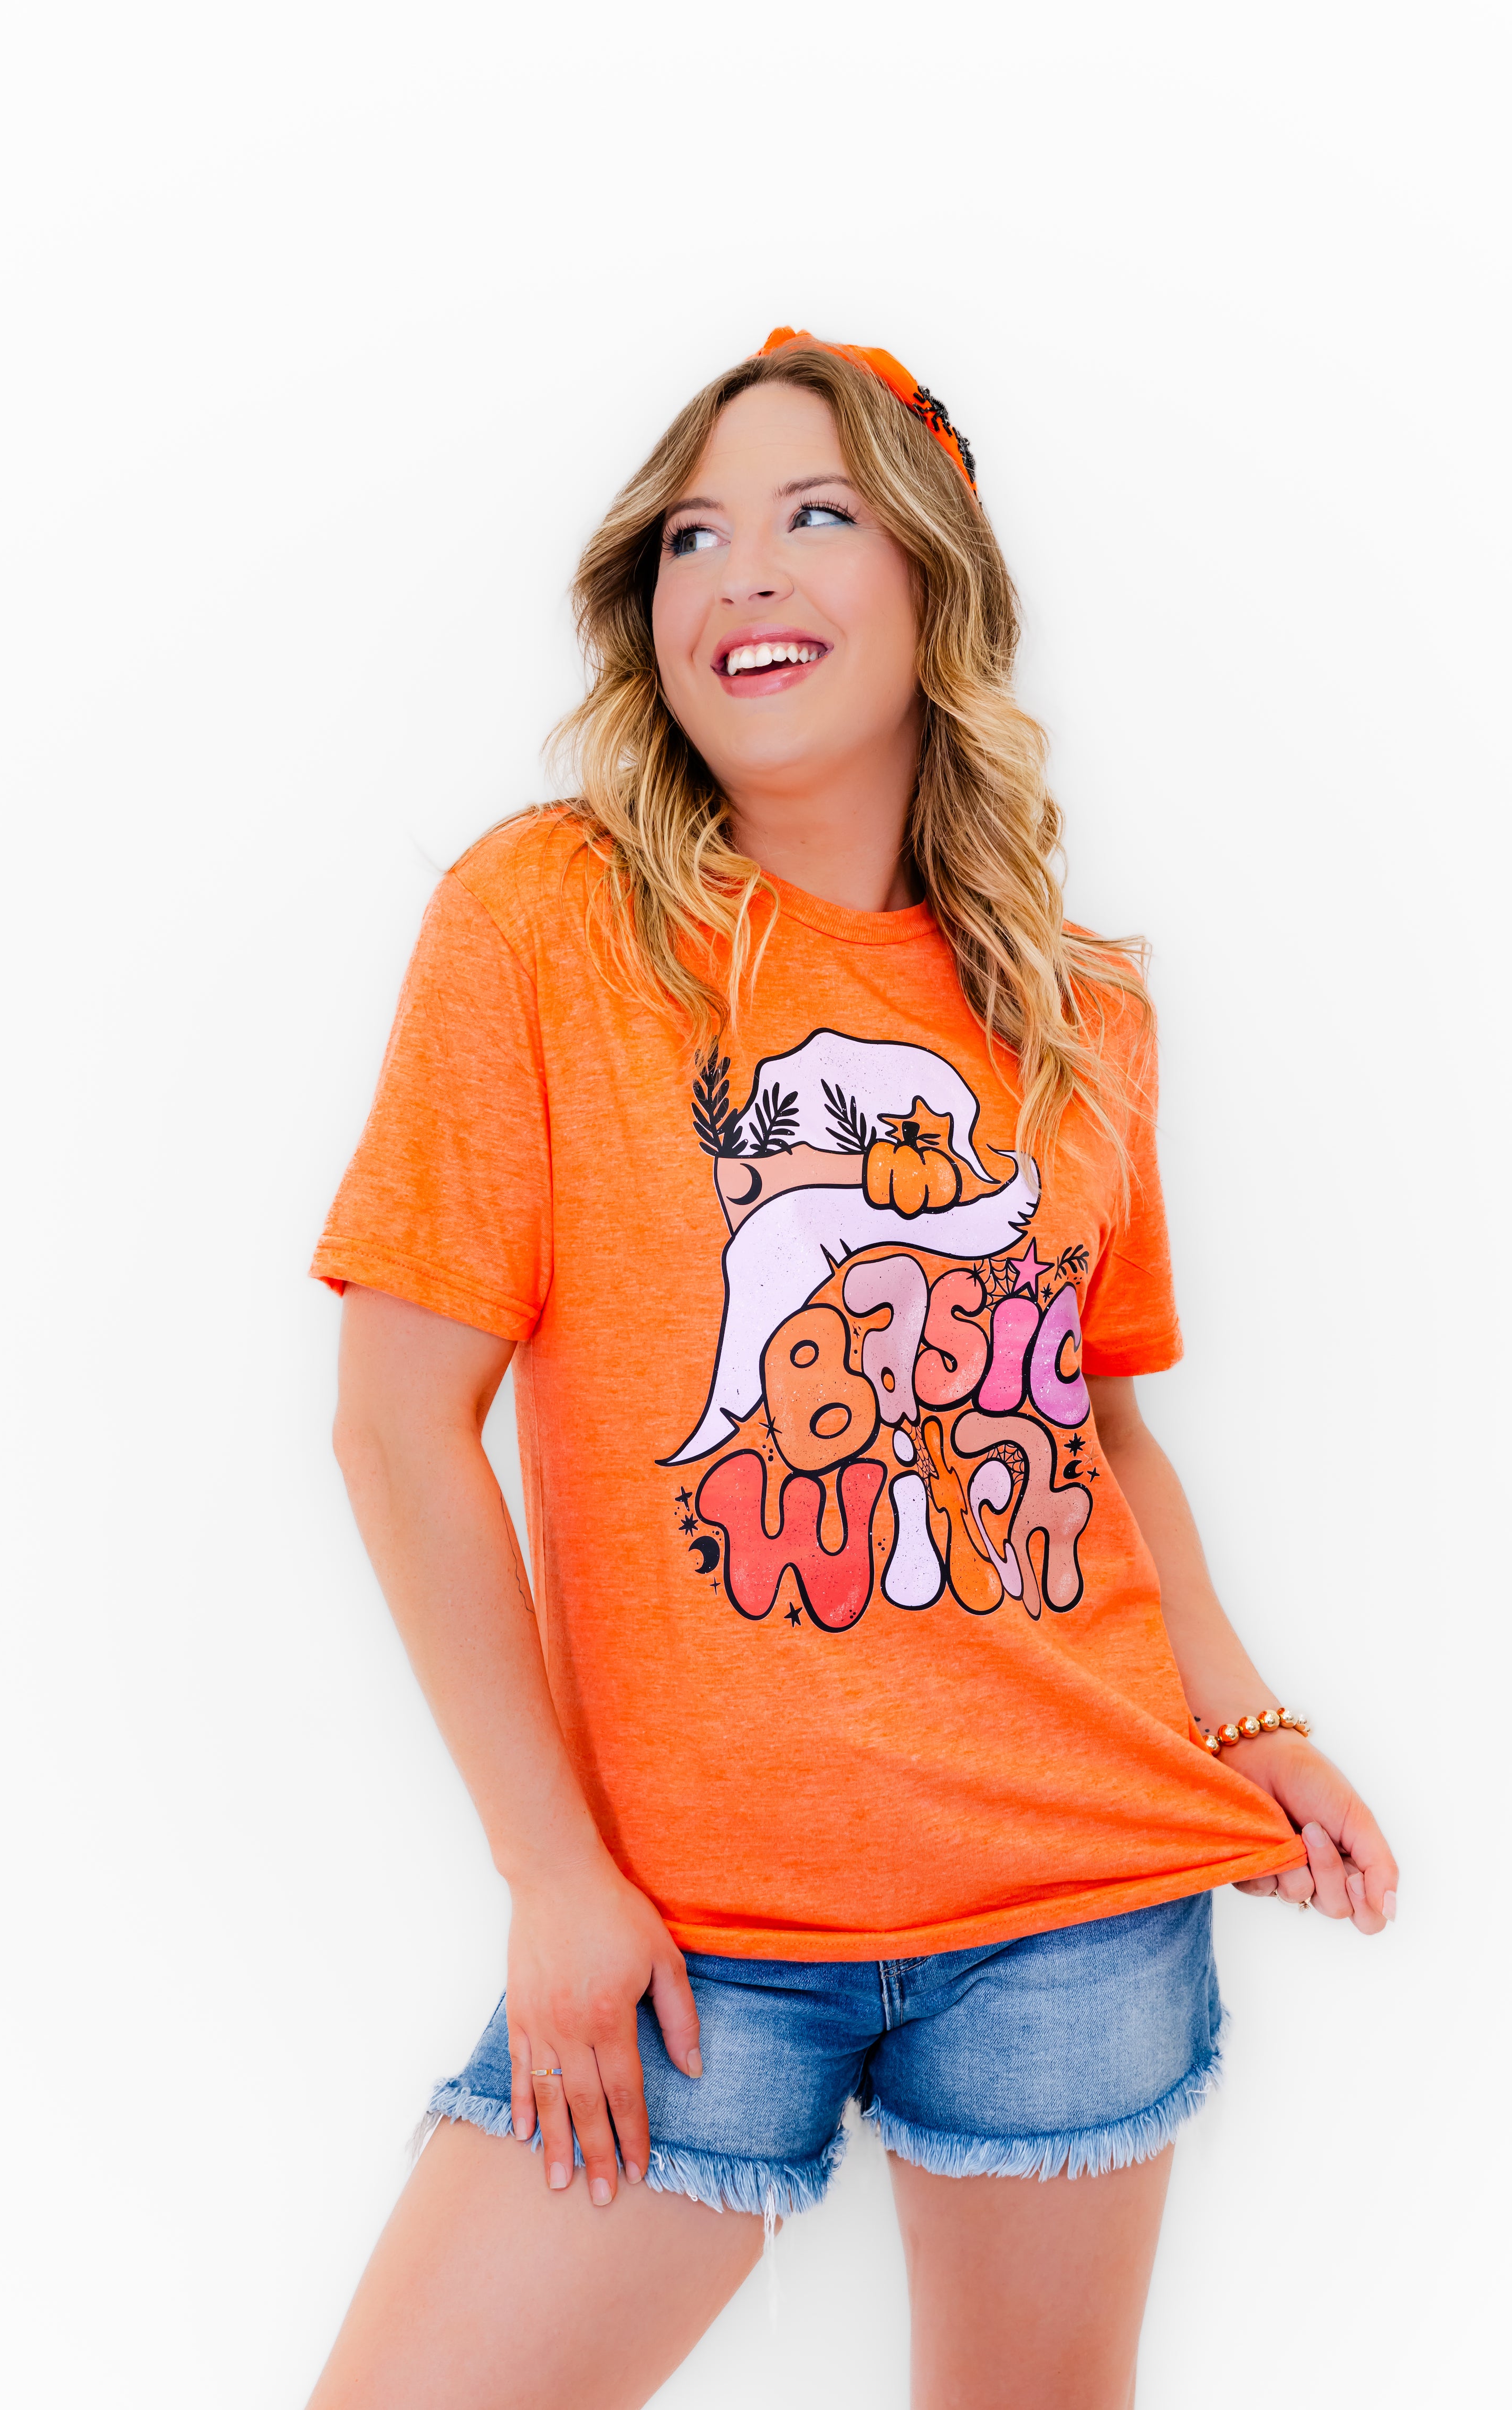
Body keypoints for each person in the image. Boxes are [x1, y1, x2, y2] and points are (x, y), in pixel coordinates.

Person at [304, 329, 1398, 2409]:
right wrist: (553, 1873)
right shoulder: (546, 921)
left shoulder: (1077, 1010)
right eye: (692, 534)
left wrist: (1244, 1717)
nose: (742, 571)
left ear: (933, 586)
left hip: (1077, 1901)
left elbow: (1093, 1426)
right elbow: (395, 1424)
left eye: (817, 514)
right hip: (689, 1935)